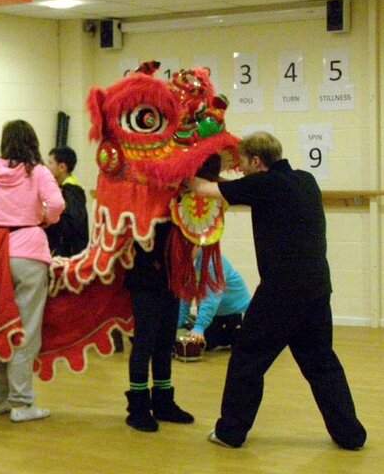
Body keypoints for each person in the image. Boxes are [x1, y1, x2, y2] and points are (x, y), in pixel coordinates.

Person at [188, 131, 367, 450]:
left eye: (243, 163)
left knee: (247, 356)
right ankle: (351, 435)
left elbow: (202, 188)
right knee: (321, 362)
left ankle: (230, 432)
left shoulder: (264, 184)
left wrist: (177, 165)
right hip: (316, 289)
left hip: (280, 293)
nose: (240, 169)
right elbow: (236, 185)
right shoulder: (306, 181)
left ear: (257, 161)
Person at [0, 120, 64, 423]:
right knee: (26, 330)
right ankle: (22, 403)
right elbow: (57, 202)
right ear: (32, 141)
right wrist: (45, 218)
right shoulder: (38, 171)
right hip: (30, 251)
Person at [123, 222, 195, 432]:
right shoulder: (144, 196)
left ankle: (163, 402)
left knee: (165, 341)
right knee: (145, 341)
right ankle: (138, 407)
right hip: (144, 274)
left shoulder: (176, 197)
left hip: (169, 274)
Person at [178, 249, 250, 351]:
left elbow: (211, 299)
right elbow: (185, 297)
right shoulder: (187, 263)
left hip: (235, 312)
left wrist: (199, 327)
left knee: (205, 343)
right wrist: (177, 324)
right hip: (216, 313)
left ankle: (240, 333)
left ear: (198, 245)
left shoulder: (213, 261)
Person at [44, 146, 89, 257]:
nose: (46, 166)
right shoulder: (64, 188)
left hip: (69, 254)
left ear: (62, 167)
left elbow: (72, 224)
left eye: (50, 163)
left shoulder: (71, 190)